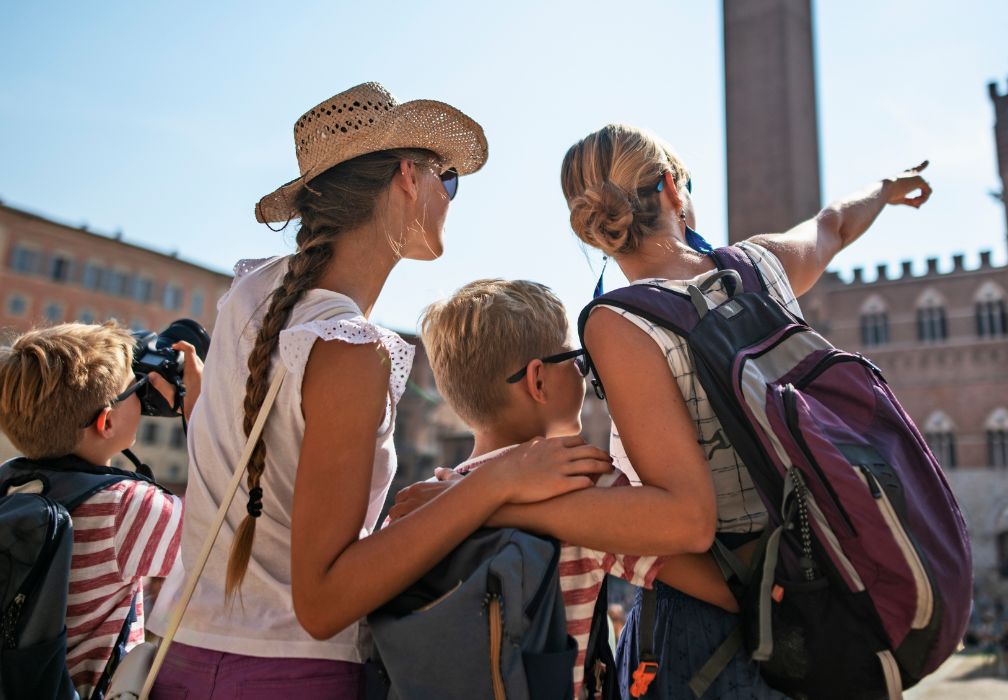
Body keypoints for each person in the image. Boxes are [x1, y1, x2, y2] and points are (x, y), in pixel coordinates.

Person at [145, 83, 614, 699]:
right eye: (446, 178)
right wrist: (496, 482)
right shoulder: (349, 348)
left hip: (181, 656)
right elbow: (324, 601)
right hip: (290, 674)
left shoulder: (250, 296)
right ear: (405, 178)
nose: (450, 198)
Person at [532, 123, 931, 697]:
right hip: (825, 585)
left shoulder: (619, 323)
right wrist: (886, 187)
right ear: (672, 189)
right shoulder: (761, 265)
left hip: (714, 620)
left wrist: (515, 501)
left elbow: (685, 522)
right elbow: (834, 225)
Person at [400, 278, 739, 694]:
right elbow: (721, 590)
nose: (585, 371)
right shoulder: (579, 482)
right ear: (538, 380)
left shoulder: (428, 500)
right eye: (577, 360)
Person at [0, 322, 198, 698]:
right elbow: (224, 536)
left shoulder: (7, 480)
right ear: (106, 421)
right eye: (137, 389)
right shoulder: (126, 507)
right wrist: (199, 410)